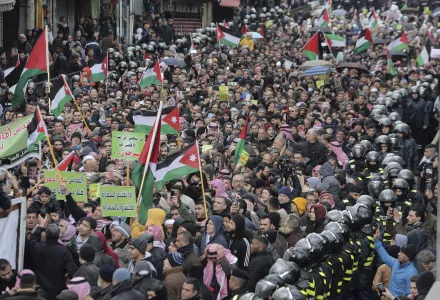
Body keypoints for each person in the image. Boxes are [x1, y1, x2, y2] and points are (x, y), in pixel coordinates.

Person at [28, 220, 77, 300]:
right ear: (58, 236)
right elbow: (72, 270)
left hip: (39, 289)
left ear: (45, 235)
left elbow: (32, 239)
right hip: (57, 290)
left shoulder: (37, 247)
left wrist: (40, 227)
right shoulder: (64, 251)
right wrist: (67, 277)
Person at [373, 230, 418, 297]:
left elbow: (410, 294)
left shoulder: (412, 273)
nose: (398, 254)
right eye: (400, 251)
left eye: (402, 253)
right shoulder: (396, 263)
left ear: (408, 257)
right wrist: (376, 241)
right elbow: (385, 256)